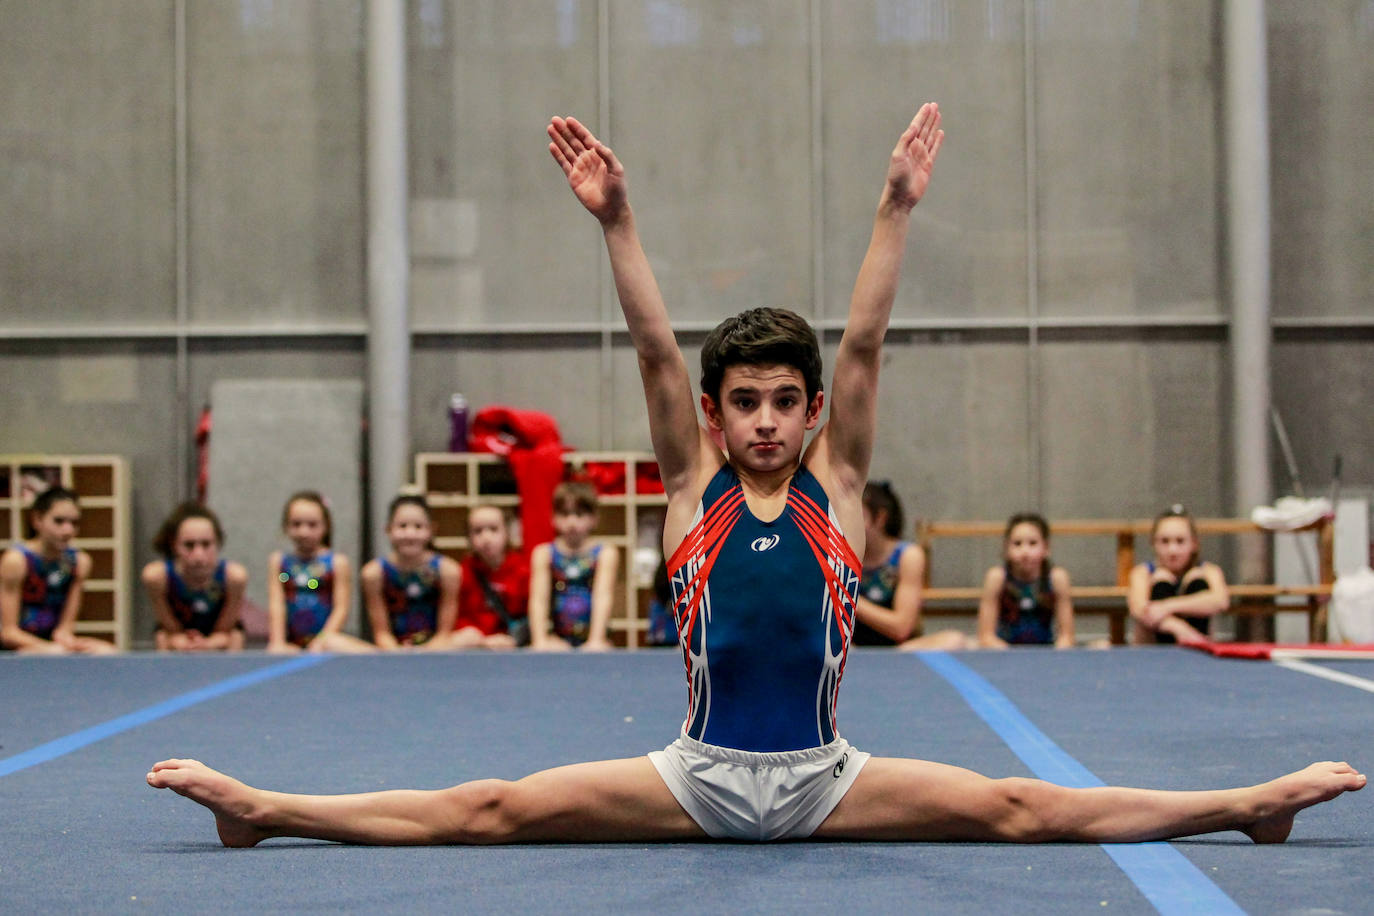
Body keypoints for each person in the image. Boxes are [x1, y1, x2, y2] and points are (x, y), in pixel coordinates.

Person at [147, 104, 1363, 847]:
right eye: (749, 405)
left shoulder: (836, 481)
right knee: (490, 807)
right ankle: (267, 808)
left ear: (815, 411)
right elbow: (655, 350)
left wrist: (896, 209)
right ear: (719, 420)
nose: (769, 421)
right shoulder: (693, 485)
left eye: (789, 401)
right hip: (699, 774)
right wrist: (616, 223)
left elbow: (870, 341)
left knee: (1024, 807)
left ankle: (1247, 801)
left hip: (831, 779)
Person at [0, 486, 117, 654]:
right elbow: (9, 633)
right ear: (37, 520)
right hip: (14, 648)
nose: (68, 530)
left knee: (107, 652)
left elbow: (64, 629)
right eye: (59, 521)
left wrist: (70, 643)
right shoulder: (16, 561)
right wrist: (50, 649)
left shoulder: (79, 562)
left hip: (52, 645)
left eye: (74, 523)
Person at [850, 480, 965, 649]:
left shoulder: (907, 556)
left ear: (880, 518)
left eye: (855, 514)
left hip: (899, 651)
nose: (846, 520)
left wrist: (849, 599)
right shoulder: (843, 553)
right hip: (852, 651)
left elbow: (901, 627)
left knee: (955, 640)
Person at [266, 491, 374, 654]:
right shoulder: (279, 562)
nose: (304, 532)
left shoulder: (337, 563)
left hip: (327, 640)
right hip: (292, 644)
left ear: (326, 526)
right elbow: (277, 604)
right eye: (296, 524)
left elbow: (341, 609)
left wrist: (322, 639)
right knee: (275, 651)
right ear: (286, 526)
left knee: (333, 643)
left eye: (312, 525)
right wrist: (277, 641)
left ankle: (386, 658)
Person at [359, 494, 463, 651]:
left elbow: (444, 633)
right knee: (331, 641)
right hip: (391, 651)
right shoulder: (373, 573)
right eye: (402, 526)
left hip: (436, 650)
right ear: (388, 529)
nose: (410, 534)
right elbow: (381, 633)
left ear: (431, 530)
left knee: (469, 636)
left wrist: (423, 654)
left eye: (418, 527)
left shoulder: (448, 571)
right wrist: (398, 655)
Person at [526, 481, 619, 651]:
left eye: (579, 514)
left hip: (595, 637)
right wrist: (540, 640)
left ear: (594, 518)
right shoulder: (544, 554)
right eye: (565, 514)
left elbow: (603, 596)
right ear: (553, 517)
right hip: (558, 641)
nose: (572, 521)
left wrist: (596, 640)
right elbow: (539, 600)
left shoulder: (605, 553)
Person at [143, 502, 247, 652]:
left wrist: (208, 644)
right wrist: (180, 640)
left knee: (236, 636)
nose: (198, 555)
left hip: (218, 636)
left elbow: (224, 630)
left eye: (206, 544)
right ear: (174, 545)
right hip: (177, 636)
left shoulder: (234, 577)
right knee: (162, 636)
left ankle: (236, 676)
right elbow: (170, 629)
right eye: (189, 545)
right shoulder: (156, 577)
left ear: (217, 543)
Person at [1129, 504, 1230, 645]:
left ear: (1194, 543)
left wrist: (1167, 606)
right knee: (1161, 579)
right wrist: (1180, 629)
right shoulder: (1143, 572)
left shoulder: (1209, 571)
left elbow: (1220, 601)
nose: (1173, 550)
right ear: (1153, 543)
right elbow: (1140, 610)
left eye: (1180, 541)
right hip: (1154, 650)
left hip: (1198, 647)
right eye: (1165, 541)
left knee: (1196, 578)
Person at [976, 513, 1075, 649]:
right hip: (1003, 654)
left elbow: (1066, 636)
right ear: (1006, 548)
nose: (1025, 551)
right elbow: (986, 637)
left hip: (1045, 652)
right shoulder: (997, 578)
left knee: (1102, 645)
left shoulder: (1057, 578)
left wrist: (1056, 657)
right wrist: (1012, 658)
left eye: (1033, 543)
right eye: (1017, 544)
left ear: (1046, 548)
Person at [455, 504, 530, 649]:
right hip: (474, 648)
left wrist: (515, 639)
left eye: (494, 529)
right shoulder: (462, 572)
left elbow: (532, 616)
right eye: (478, 531)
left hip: (513, 647)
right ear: (469, 537)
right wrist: (479, 639)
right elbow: (459, 616)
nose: (486, 537)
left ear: (507, 533)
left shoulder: (524, 570)